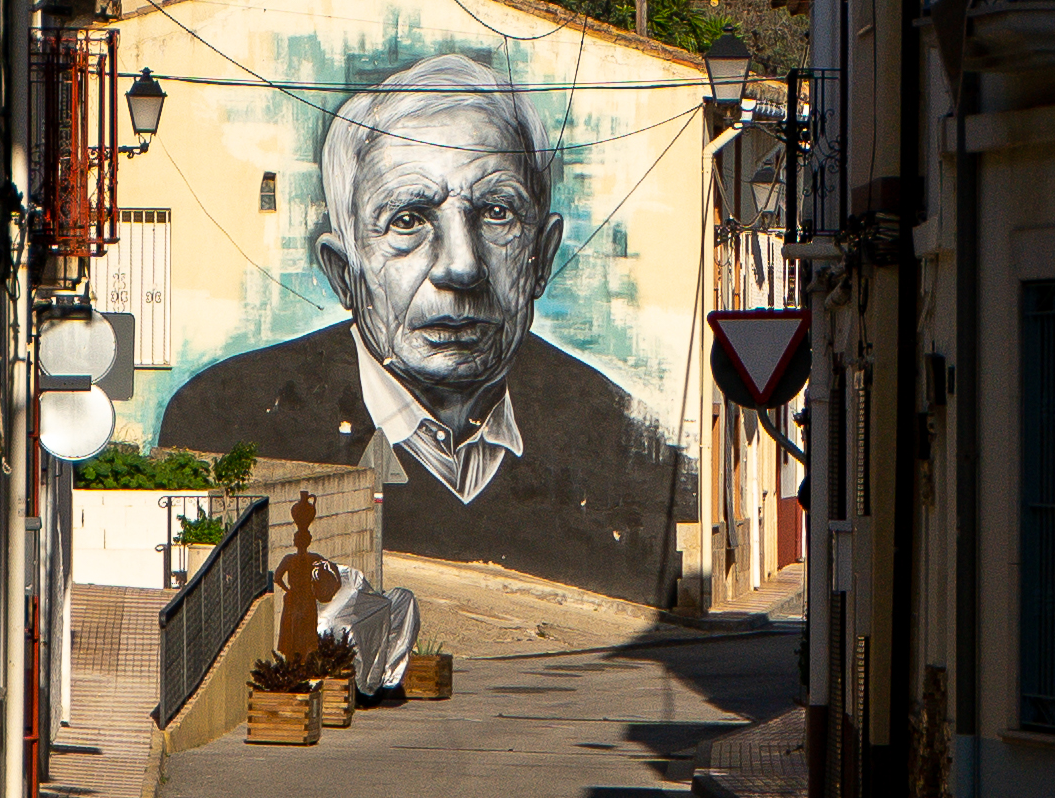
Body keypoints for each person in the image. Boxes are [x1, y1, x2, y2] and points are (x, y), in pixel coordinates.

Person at [158, 53, 689, 601]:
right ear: (345, 273)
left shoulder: (629, 446)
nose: (461, 266)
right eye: (407, 220)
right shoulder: (220, 420)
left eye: (497, 213)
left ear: (542, 256)